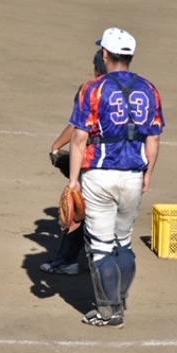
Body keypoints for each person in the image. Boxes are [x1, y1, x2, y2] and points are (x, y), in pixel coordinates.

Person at [68, 27, 165, 328]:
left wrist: (73, 180)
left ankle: (108, 312)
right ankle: (120, 298)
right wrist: (148, 174)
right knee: (123, 243)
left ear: (105, 54)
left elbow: (79, 139)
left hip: (99, 175)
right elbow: (154, 139)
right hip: (133, 175)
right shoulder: (150, 89)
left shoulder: (93, 89)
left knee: (100, 247)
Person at [40, 50, 107, 276]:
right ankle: (106, 263)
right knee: (108, 218)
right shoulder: (133, 90)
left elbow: (77, 128)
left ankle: (67, 261)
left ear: (97, 68)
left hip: (94, 162)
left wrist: (56, 147)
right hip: (126, 166)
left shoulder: (90, 90)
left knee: (77, 212)